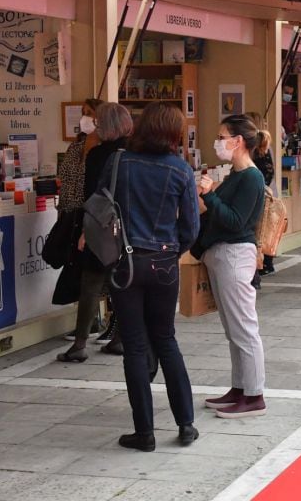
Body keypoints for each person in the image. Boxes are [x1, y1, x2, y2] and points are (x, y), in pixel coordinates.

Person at [92, 102, 201, 451]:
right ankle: (186, 423)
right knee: (166, 340)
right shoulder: (181, 170)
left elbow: (99, 205)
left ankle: (145, 432)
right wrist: (171, 249)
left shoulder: (119, 162)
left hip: (125, 262)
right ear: (174, 134)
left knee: (136, 347)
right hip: (165, 262)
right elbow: (191, 228)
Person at [195, 114, 269, 419]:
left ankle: (254, 395)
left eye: (223, 136)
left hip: (235, 255)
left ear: (238, 141)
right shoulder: (236, 175)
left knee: (244, 328)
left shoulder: (251, 177)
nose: (218, 142)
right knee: (233, 328)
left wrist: (210, 195)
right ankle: (240, 388)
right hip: (221, 254)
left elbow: (236, 220)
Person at [54, 99, 109, 346]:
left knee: (94, 270)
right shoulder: (75, 147)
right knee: (76, 266)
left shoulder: (105, 150)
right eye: (83, 113)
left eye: (90, 114)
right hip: (70, 212)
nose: (85, 118)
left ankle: (96, 323)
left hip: (92, 215)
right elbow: (64, 179)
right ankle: (90, 321)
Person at [245, 112, 276, 278]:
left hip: (261, 194)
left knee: (259, 230)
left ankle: (262, 263)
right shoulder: (265, 145)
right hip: (267, 193)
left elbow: (265, 172)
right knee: (266, 229)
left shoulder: (255, 147)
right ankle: (267, 262)